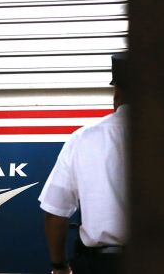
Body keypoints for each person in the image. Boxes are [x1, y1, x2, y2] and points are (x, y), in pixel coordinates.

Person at [38, 52, 129, 274]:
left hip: (104, 265)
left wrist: (59, 265)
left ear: (116, 91)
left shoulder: (84, 138)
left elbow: (56, 213)